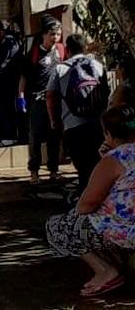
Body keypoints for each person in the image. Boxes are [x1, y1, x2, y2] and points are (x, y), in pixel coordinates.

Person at [46, 105, 135, 297]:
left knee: (60, 225)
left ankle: (106, 271)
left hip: (127, 233)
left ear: (108, 133)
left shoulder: (115, 159)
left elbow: (86, 205)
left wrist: (104, 161)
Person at [47, 34, 110, 192]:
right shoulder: (97, 65)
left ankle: (84, 204)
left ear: (67, 50)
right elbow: (105, 93)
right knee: (97, 165)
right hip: (96, 125)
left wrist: (54, 121)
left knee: (82, 168)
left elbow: (50, 96)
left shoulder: (60, 69)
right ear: (85, 48)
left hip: (72, 126)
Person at [18, 15, 66, 184]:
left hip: (55, 101)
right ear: (43, 35)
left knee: (54, 135)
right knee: (35, 136)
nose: (56, 37)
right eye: (52, 34)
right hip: (36, 101)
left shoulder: (61, 51)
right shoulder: (33, 54)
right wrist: (21, 97)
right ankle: (34, 172)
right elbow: (23, 77)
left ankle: (53, 170)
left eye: (58, 34)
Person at [0, 19, 23, 146]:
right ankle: (9, 135)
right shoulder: (11, 42)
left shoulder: (9, 42)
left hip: (6, 81)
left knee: (6, 108)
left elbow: (5, 61)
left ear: (1, 32)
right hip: (8, 80)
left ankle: (9, 136)